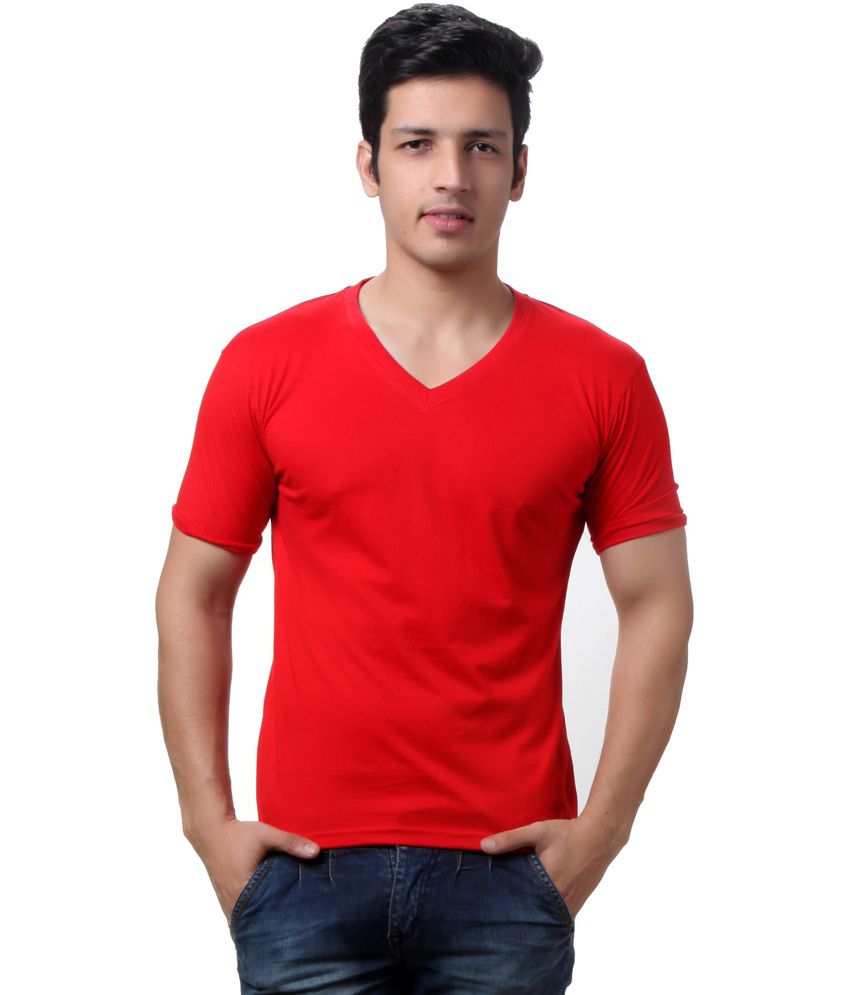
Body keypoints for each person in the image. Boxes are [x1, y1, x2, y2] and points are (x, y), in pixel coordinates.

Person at [156, 3, 693, 992]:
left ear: (519, 170)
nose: (451, 175)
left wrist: (603, 830)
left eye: (481, 146)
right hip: (303, 869)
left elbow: (658, 601)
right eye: (417, 144)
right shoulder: (263, 364)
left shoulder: (603, 376)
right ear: (369, 164)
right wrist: (207, 823)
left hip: (507, 873)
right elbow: (195, 590)